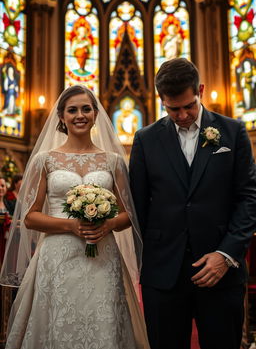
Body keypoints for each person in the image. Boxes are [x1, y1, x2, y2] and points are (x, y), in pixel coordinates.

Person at [1, 85, 150, 349]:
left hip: (103, 256)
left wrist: (108, 224)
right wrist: (71, 225)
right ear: (61, 116)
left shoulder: (113, 161)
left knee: (103, 323)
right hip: (57, 257)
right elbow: (31, 217)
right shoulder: (44, 160)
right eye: (72, 110)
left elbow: (130, 215)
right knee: (59, 324)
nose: (79, 115)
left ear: (95, 114)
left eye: (85, 109)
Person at [129, 57, 256, 349]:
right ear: (161, 100)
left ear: (199, 89)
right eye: (174, 109)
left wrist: (226, 254)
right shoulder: (145, 139)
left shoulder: (233, 132)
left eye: (189, 105)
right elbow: (138, 206)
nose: (183, 115)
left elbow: (248, 198)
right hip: (163, 274)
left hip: (221, 269)